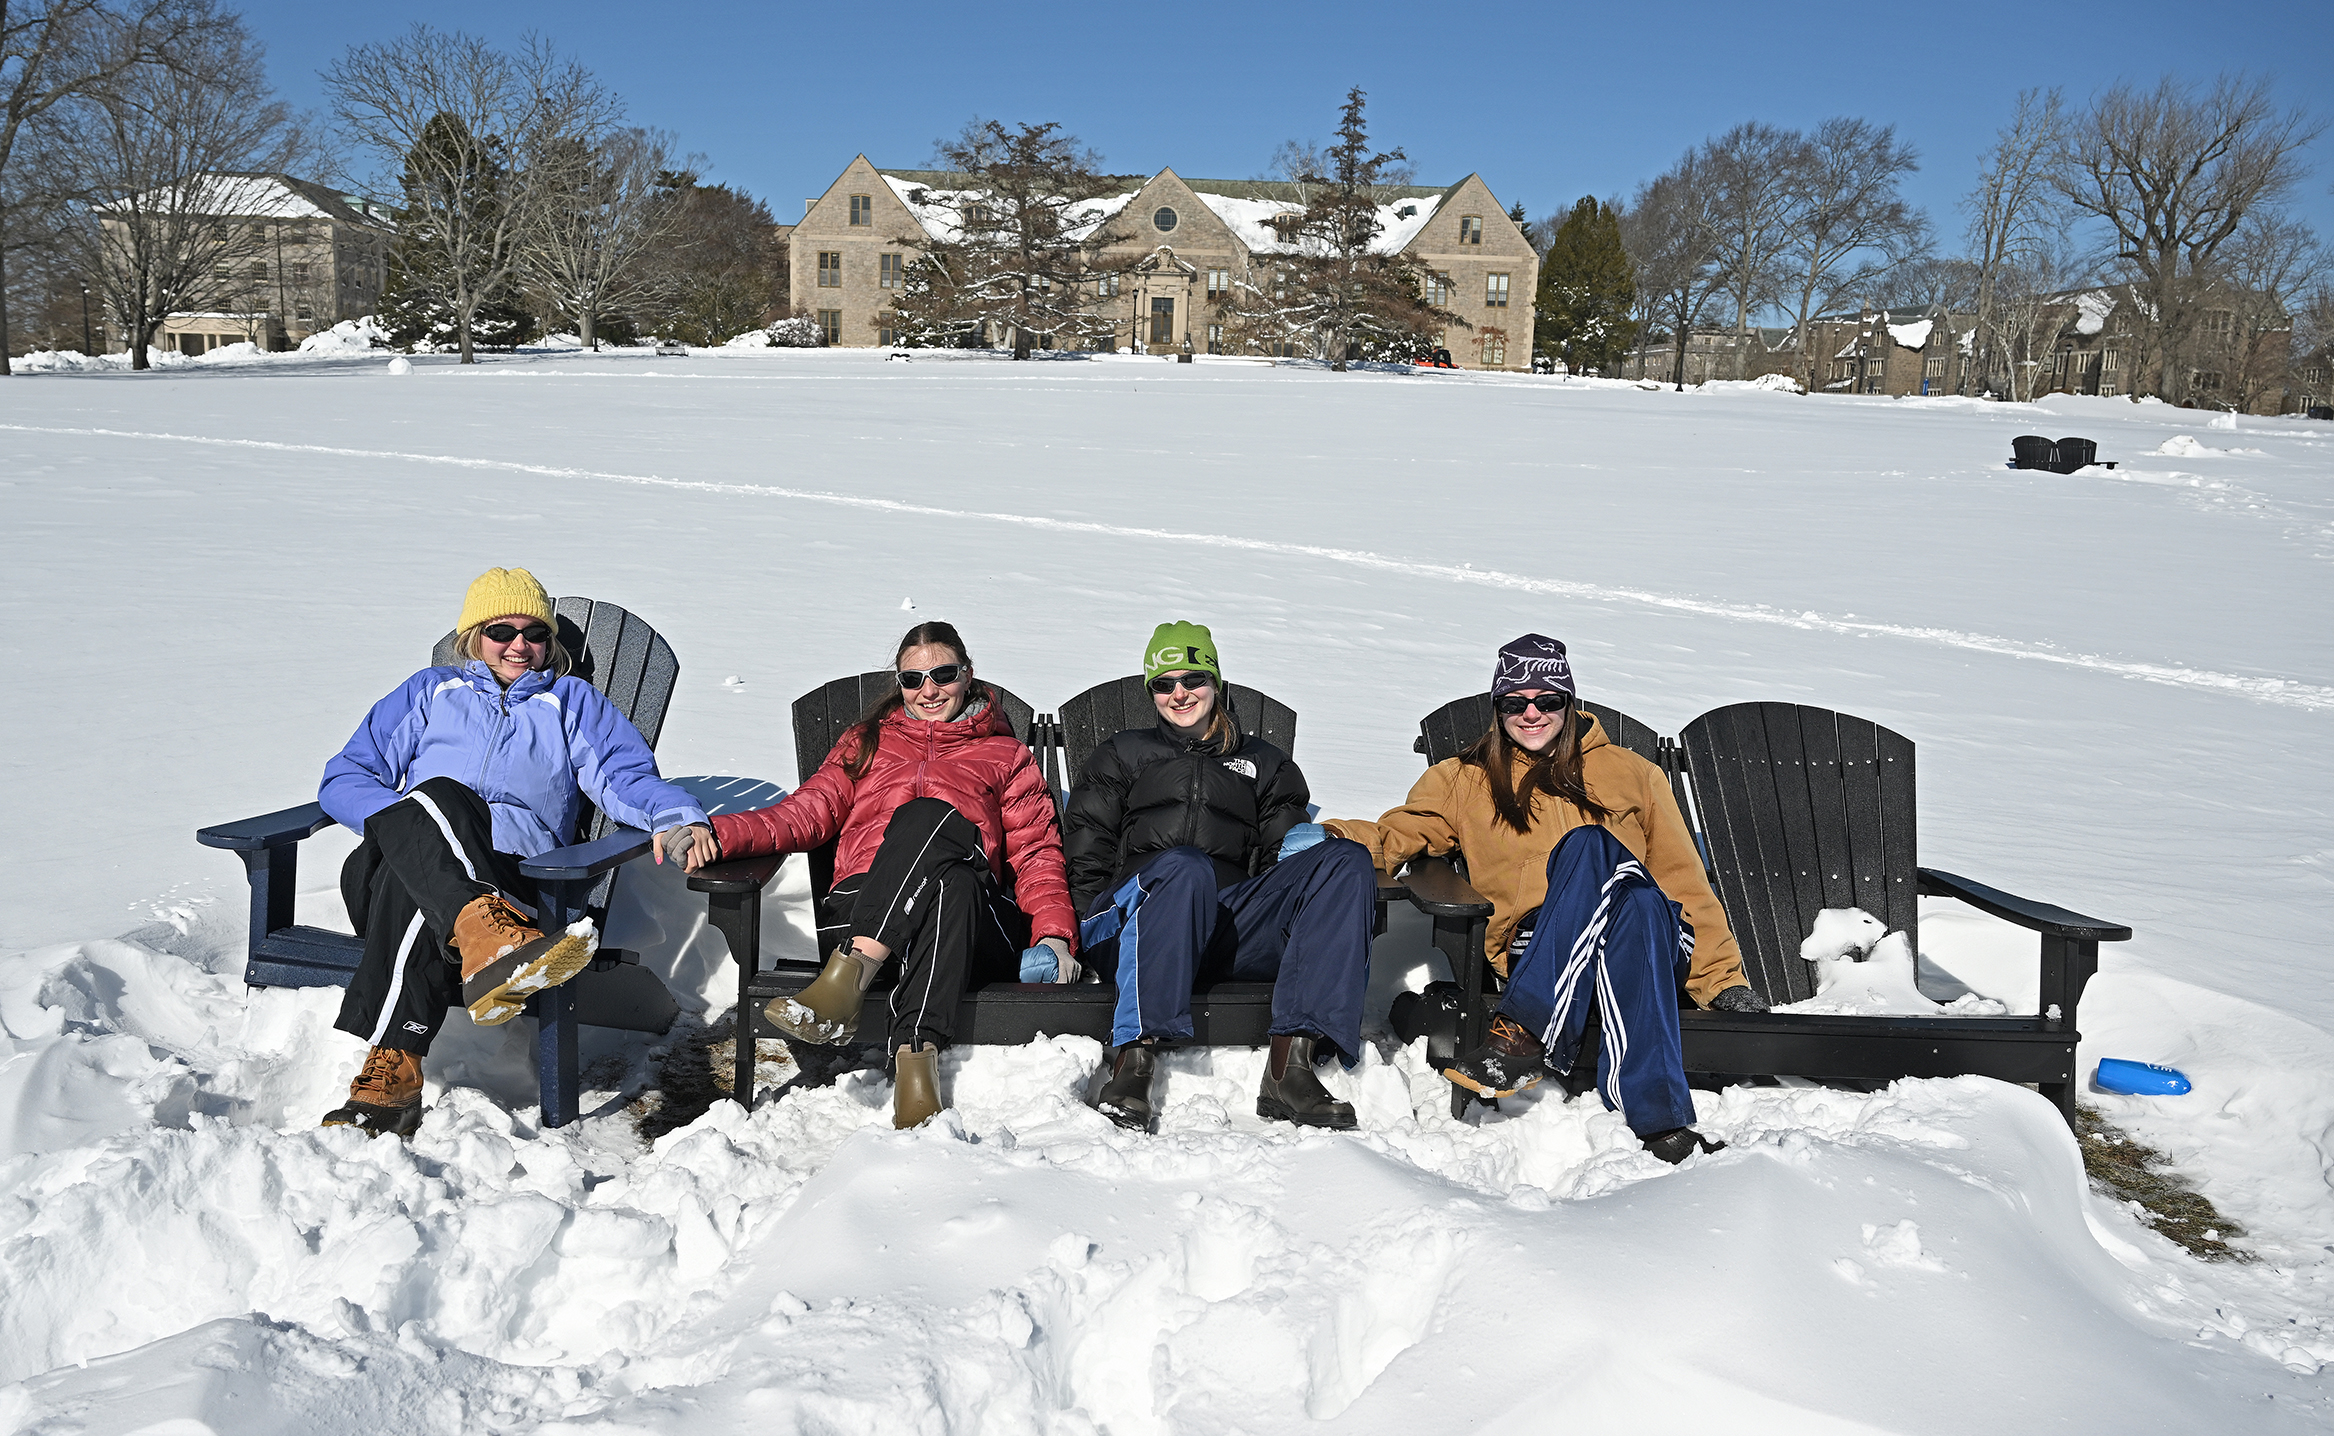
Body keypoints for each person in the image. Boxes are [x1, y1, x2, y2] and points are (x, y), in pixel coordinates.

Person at [1325, 634, 1767, 1164]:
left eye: (1548, 700)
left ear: (1569, 701)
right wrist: (1329, 838)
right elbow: (1405, 831)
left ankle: (1526, 1028)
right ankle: (1662, 1124)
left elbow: (1683, 879)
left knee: (1618, 874)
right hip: (1536, 944)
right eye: (1516, 702)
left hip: (1649, 946)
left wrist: (1721, 980)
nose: (1532, 714)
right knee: (1620, 881)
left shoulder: (1634, 774)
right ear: (1498, 708)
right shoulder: (1464, 780)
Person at [317, 568, 713, 1137]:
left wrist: (675, 816)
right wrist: (407, 823)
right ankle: (482, 929)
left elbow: (627, 779)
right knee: (437, 800)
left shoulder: (571, 702)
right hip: (392, 866)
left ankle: (392, 1077)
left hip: (517, 883)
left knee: (421, 872)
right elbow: (346, 776)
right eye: (502, 630)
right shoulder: (428, 692)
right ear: (473, 638)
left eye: (535, 633)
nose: (519, 645)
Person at [680, 621, 1075, 1128]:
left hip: (974, 929)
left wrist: (1055, 936)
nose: (928, 690)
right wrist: (717, 833)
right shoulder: (866, 744)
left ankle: (850, 976)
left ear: (968, 674)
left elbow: (1037, 854)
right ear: (900, 684)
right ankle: (917, 1065)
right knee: (946, 879)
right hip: (861, 907)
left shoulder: (1006, 757)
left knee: (934, 826)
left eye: (943, 674)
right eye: (913, 680)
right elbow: (802, 814)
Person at [1064, 622, 1378, 1132]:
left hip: (1226, 928)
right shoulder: (1121, 754)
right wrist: (1075, 932)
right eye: (1164, 684)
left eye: (1193, 679)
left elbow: (1285, 860)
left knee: (1347, 860)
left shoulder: (1264, 763)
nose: (1180, 693)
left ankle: (1289, 1066)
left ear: (1216, 682)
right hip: (1134, 926)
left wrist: (1304, 847)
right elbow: (1086, 854)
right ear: (1151, 692)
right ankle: (1133, 1061)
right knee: (1185, 865)